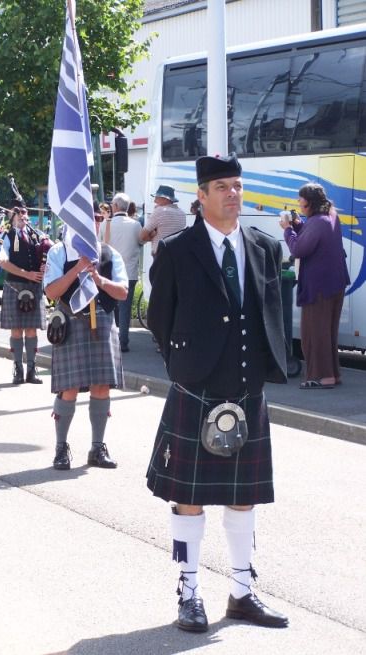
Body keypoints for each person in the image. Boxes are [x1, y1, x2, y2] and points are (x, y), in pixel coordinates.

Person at [146, 153, 289, 632]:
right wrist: (184, 367)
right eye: (221, 186)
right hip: (198, 387)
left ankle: (242, 591)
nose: (233, 193)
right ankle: (188, 588)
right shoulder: (178, 249)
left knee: (243, 496)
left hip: (247, 388)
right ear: (201, 195)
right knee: (189, 498)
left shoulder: (265, 247)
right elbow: (160, 319)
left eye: (237, 185)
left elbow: (272, 312)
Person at [44, 226, 128, 471]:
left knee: (101, 386)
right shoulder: (58, 252)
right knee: (68, 388)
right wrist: (77, 269)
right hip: (72, 319)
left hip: (103, 320)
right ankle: (61, 447)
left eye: (95, 220)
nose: (90, 225)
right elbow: (51, 291)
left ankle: (98, 447)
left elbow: (123, 293)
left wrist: (99, 280)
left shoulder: (109, 254)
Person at [280, 183, 350, 389]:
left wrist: (288, 230)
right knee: (328, 332)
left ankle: (321, 377)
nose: (300, 207)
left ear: (310, 203)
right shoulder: (331, 215)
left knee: (314, 333)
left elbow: (299, 249)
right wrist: (299, 225)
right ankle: (333, 375)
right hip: (335, 283)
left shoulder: (317, 222)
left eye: (302, 204)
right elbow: (314, 239)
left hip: (319, 286)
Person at [0, 205, 47, 384]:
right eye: (17, 213)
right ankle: (18, 368)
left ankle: (31, 370)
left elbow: (47, 256)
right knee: (17, 329)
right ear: (10, 216)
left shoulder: (38, 235)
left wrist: (45, 266)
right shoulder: (5, 236)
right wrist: (26, 274)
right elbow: (3, 262)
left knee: (32, 330)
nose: (21, 215)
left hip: (34, 286)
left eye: (24, 212)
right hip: (15, 286)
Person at [99, 192, 142, 352]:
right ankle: (123, 342)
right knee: (125, 309)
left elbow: (99, 245)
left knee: (108, 306)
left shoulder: (105, 224)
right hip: (129, 273)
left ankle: (110, 339)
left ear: (115, 206)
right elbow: (141, 241)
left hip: (108, 273)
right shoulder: (136, 225)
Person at [140, 184, 186, 257]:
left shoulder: (159, 211)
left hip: (161, 253)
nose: (155, 201)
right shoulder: (182, 213)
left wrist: (152, 236)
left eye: (157, 198)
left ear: (165, 199)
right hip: (177, 253)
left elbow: (142, 236)